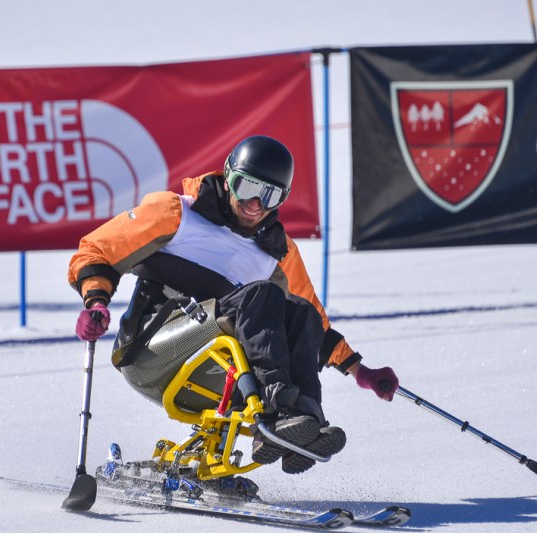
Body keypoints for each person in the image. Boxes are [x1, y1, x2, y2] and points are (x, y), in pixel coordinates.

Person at [68, 135, 399, 474]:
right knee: (263, 296)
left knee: (300, 313)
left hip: (217, 370)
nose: (255, 204)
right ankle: (274, 414)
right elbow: (97, 249)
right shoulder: (177, 213)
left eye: (269, 195)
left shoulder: (277, 253)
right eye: (247, 188)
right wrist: (95, 300)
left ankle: (303, 424)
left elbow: (314, 324)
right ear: (228, 179)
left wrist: (360, 371)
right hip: (152, 352)